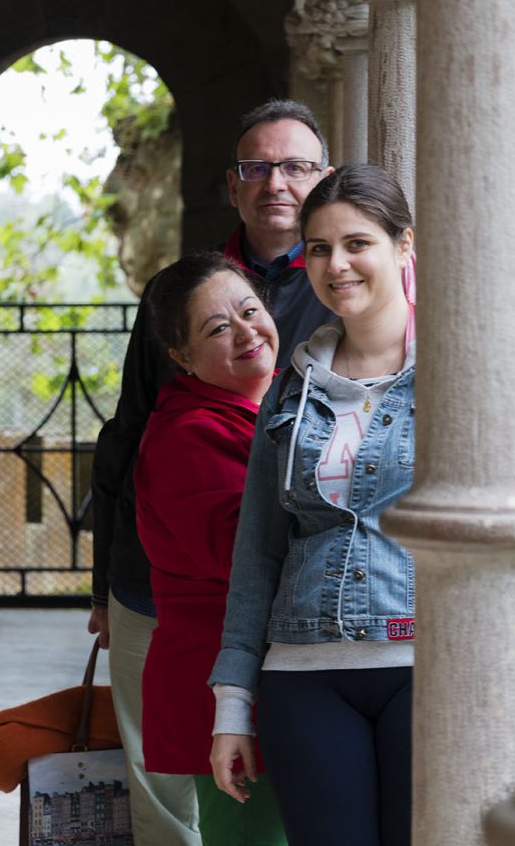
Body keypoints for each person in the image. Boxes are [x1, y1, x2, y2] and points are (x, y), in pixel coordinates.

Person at [87, 99, 333, 846]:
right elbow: (128, 433)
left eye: (295, 166)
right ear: (232, 185)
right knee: (173, 793)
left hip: (282, 617)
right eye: (257, 168)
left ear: (323, 179)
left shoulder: (345, 283)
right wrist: (103, 582)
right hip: (168, 574)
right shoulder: (183, 292)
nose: (275, 183)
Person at [209, 165, 416, 846]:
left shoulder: (457, 376)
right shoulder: (293, 385)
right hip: (302, 677)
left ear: (402, 246)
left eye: (357, 243)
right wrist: (232, 708)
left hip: (427, 666)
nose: (337, 264)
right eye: (319, 248)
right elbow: (259, 547)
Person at [134, 252, 287, 846]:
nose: (247, 332)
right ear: (182, 358)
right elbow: (251, 561)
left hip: (265, 681)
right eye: (218, 328)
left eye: (250, 311)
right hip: (228, 692)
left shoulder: (268, 406)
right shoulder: (189, 436)